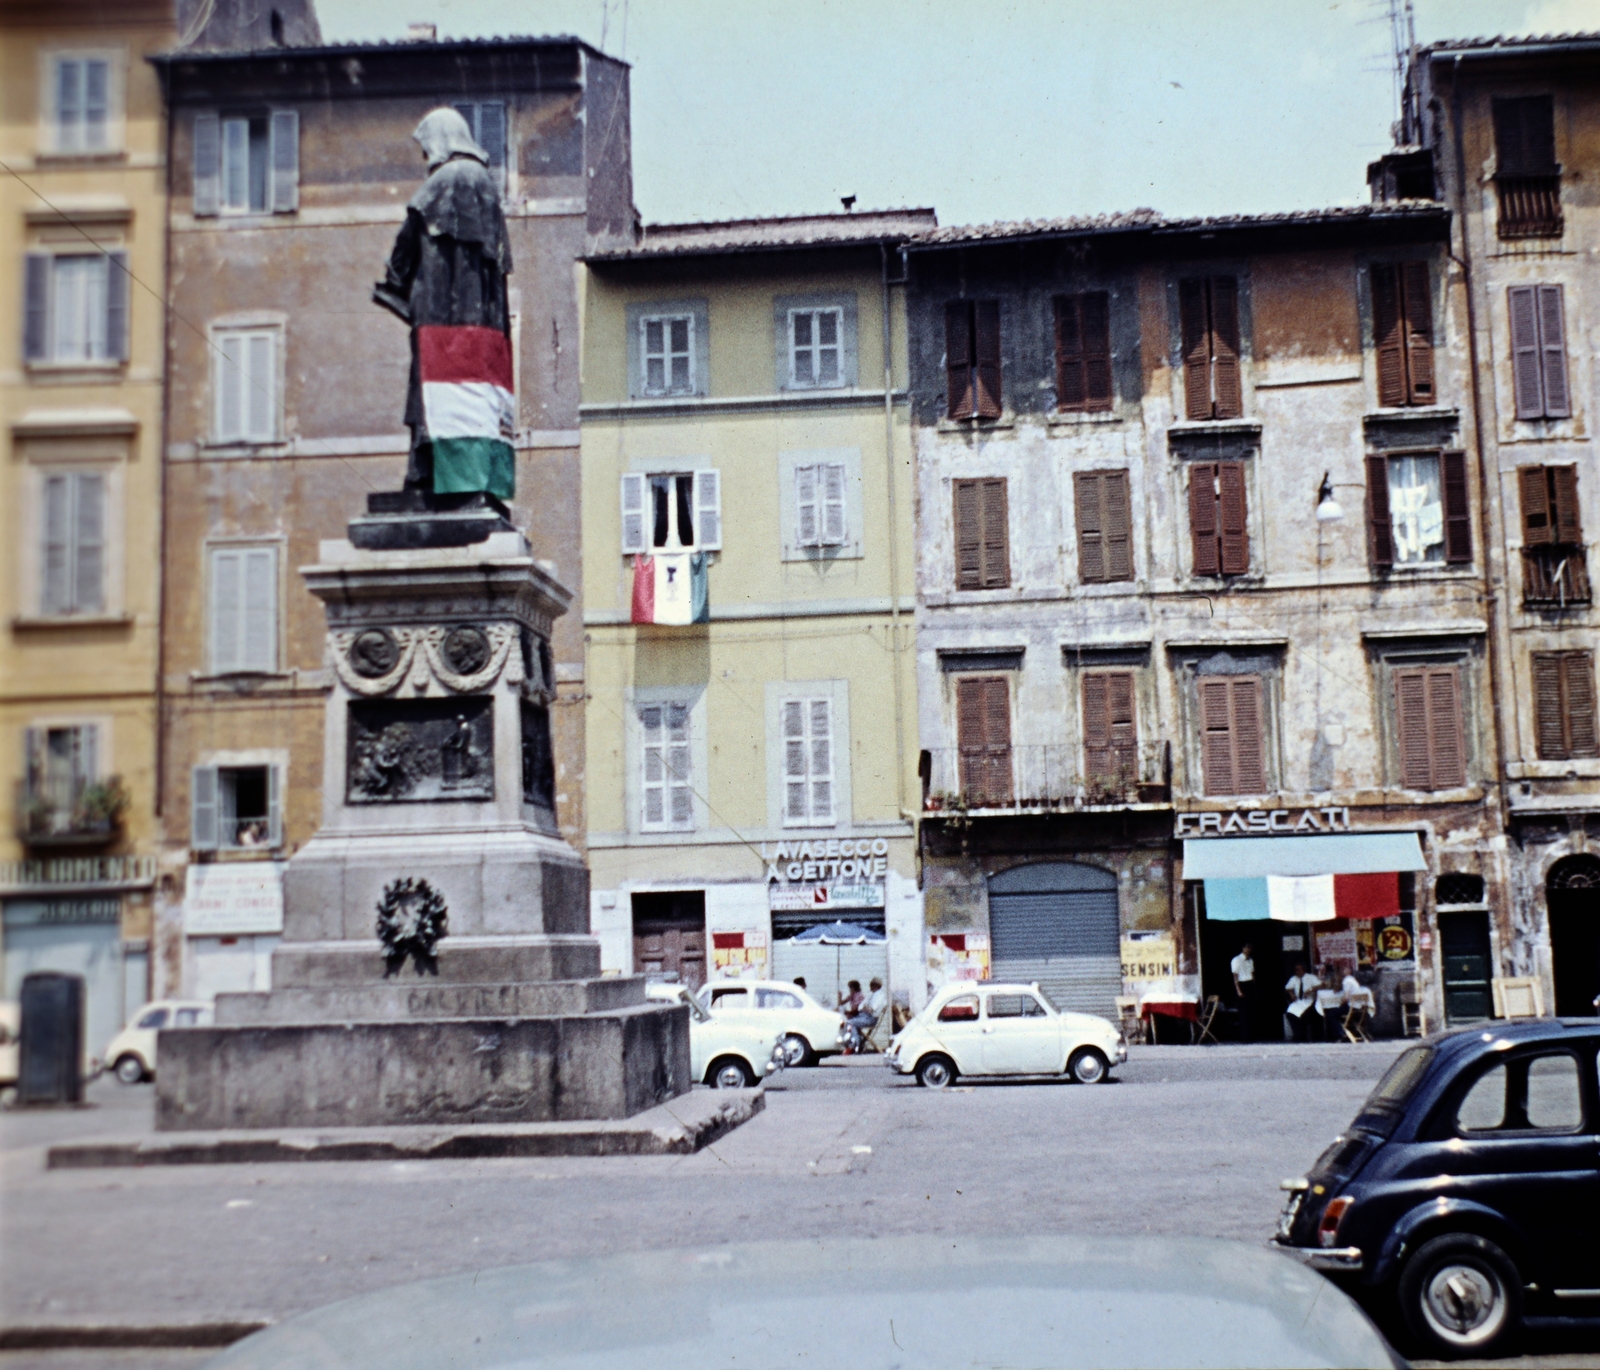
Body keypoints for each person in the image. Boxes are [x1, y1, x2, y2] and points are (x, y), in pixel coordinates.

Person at [374, 108, 515, 503]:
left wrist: (394, 283)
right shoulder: (487, 187)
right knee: (471, 397)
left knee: (429, 394)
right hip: (480, 322)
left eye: (426, 147)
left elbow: (405, 245)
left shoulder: (444, 180)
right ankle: (470, 477)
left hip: (438, 313)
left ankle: (424, 475)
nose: (425, 158)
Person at [1284, 962, 1320, 1042]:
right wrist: (1291, 994)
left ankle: (1301, 1035)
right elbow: (1287, 988)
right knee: (1290, 1014)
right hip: (1298, 1001)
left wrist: (1310, 990)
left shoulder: (1311, 977)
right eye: (1296, 970)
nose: (1297, 972)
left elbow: (1321, 985)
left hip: (1309, 1001)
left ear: (1303, 970)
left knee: (1304, 1015)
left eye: (1298, 970)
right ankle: (1298, 1034)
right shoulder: (1294, 978)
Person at [1230, 942, 1256, 1041]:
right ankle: (1244, 1037)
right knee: (1243, 1012)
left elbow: (1252, 974)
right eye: (1247, 947)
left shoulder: (1250, 960)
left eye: (1250, 948)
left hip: (1250, 985)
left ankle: (1251, 1036)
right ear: (1243, 948)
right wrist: (1238, 990)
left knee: (1251, 1011)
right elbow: (1235, 976)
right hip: (1242, 984)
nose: (1249, 950)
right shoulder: (1236, 960)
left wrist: (1254, 986)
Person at [841, 980, 875, 1053]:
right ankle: (855, 1042)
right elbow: (841, 1003)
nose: (849, 990)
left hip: (864, 1016)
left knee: (850, 1023)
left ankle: (856, 1045)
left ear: (854, 988)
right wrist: (839, 996)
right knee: (845, 1022)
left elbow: (855, 1010)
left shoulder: (859, 995)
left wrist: (847, 1012)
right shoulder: (852, 995)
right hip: (858, 1016)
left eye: (850, 988)